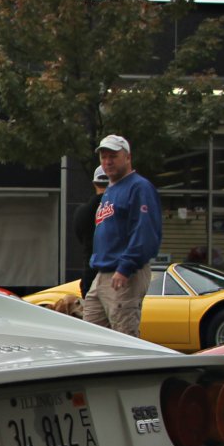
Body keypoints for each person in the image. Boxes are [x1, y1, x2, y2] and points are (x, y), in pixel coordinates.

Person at [82, 134, 161, 337]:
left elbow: (145, 232)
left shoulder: (139, 187)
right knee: (90, 336)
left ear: (127, 157)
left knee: (124, 335)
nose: (107, 161)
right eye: (103, 157)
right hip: (102, 273)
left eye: (113, 156)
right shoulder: (111, 189)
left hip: (124, 273)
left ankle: (133, 369)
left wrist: (126, 267)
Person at [74, 165, 109, 298]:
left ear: (94, 183)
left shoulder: (82, 212)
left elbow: (80, 238)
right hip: (114, 277)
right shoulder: (117, 209)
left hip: (89, 276)